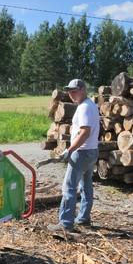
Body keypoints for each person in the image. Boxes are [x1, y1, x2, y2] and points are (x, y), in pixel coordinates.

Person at [48, 79, 100, 233]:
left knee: (69, 187)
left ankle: (65, 223)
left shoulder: (84, 107)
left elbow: (85, 132)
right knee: (86, 185)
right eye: (69, 91)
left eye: (74, 90)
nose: (71, 93)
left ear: (83, 89)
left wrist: (70, 150)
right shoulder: (90, 105)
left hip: (82, 152)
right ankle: (83, 219)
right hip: (91, 151)